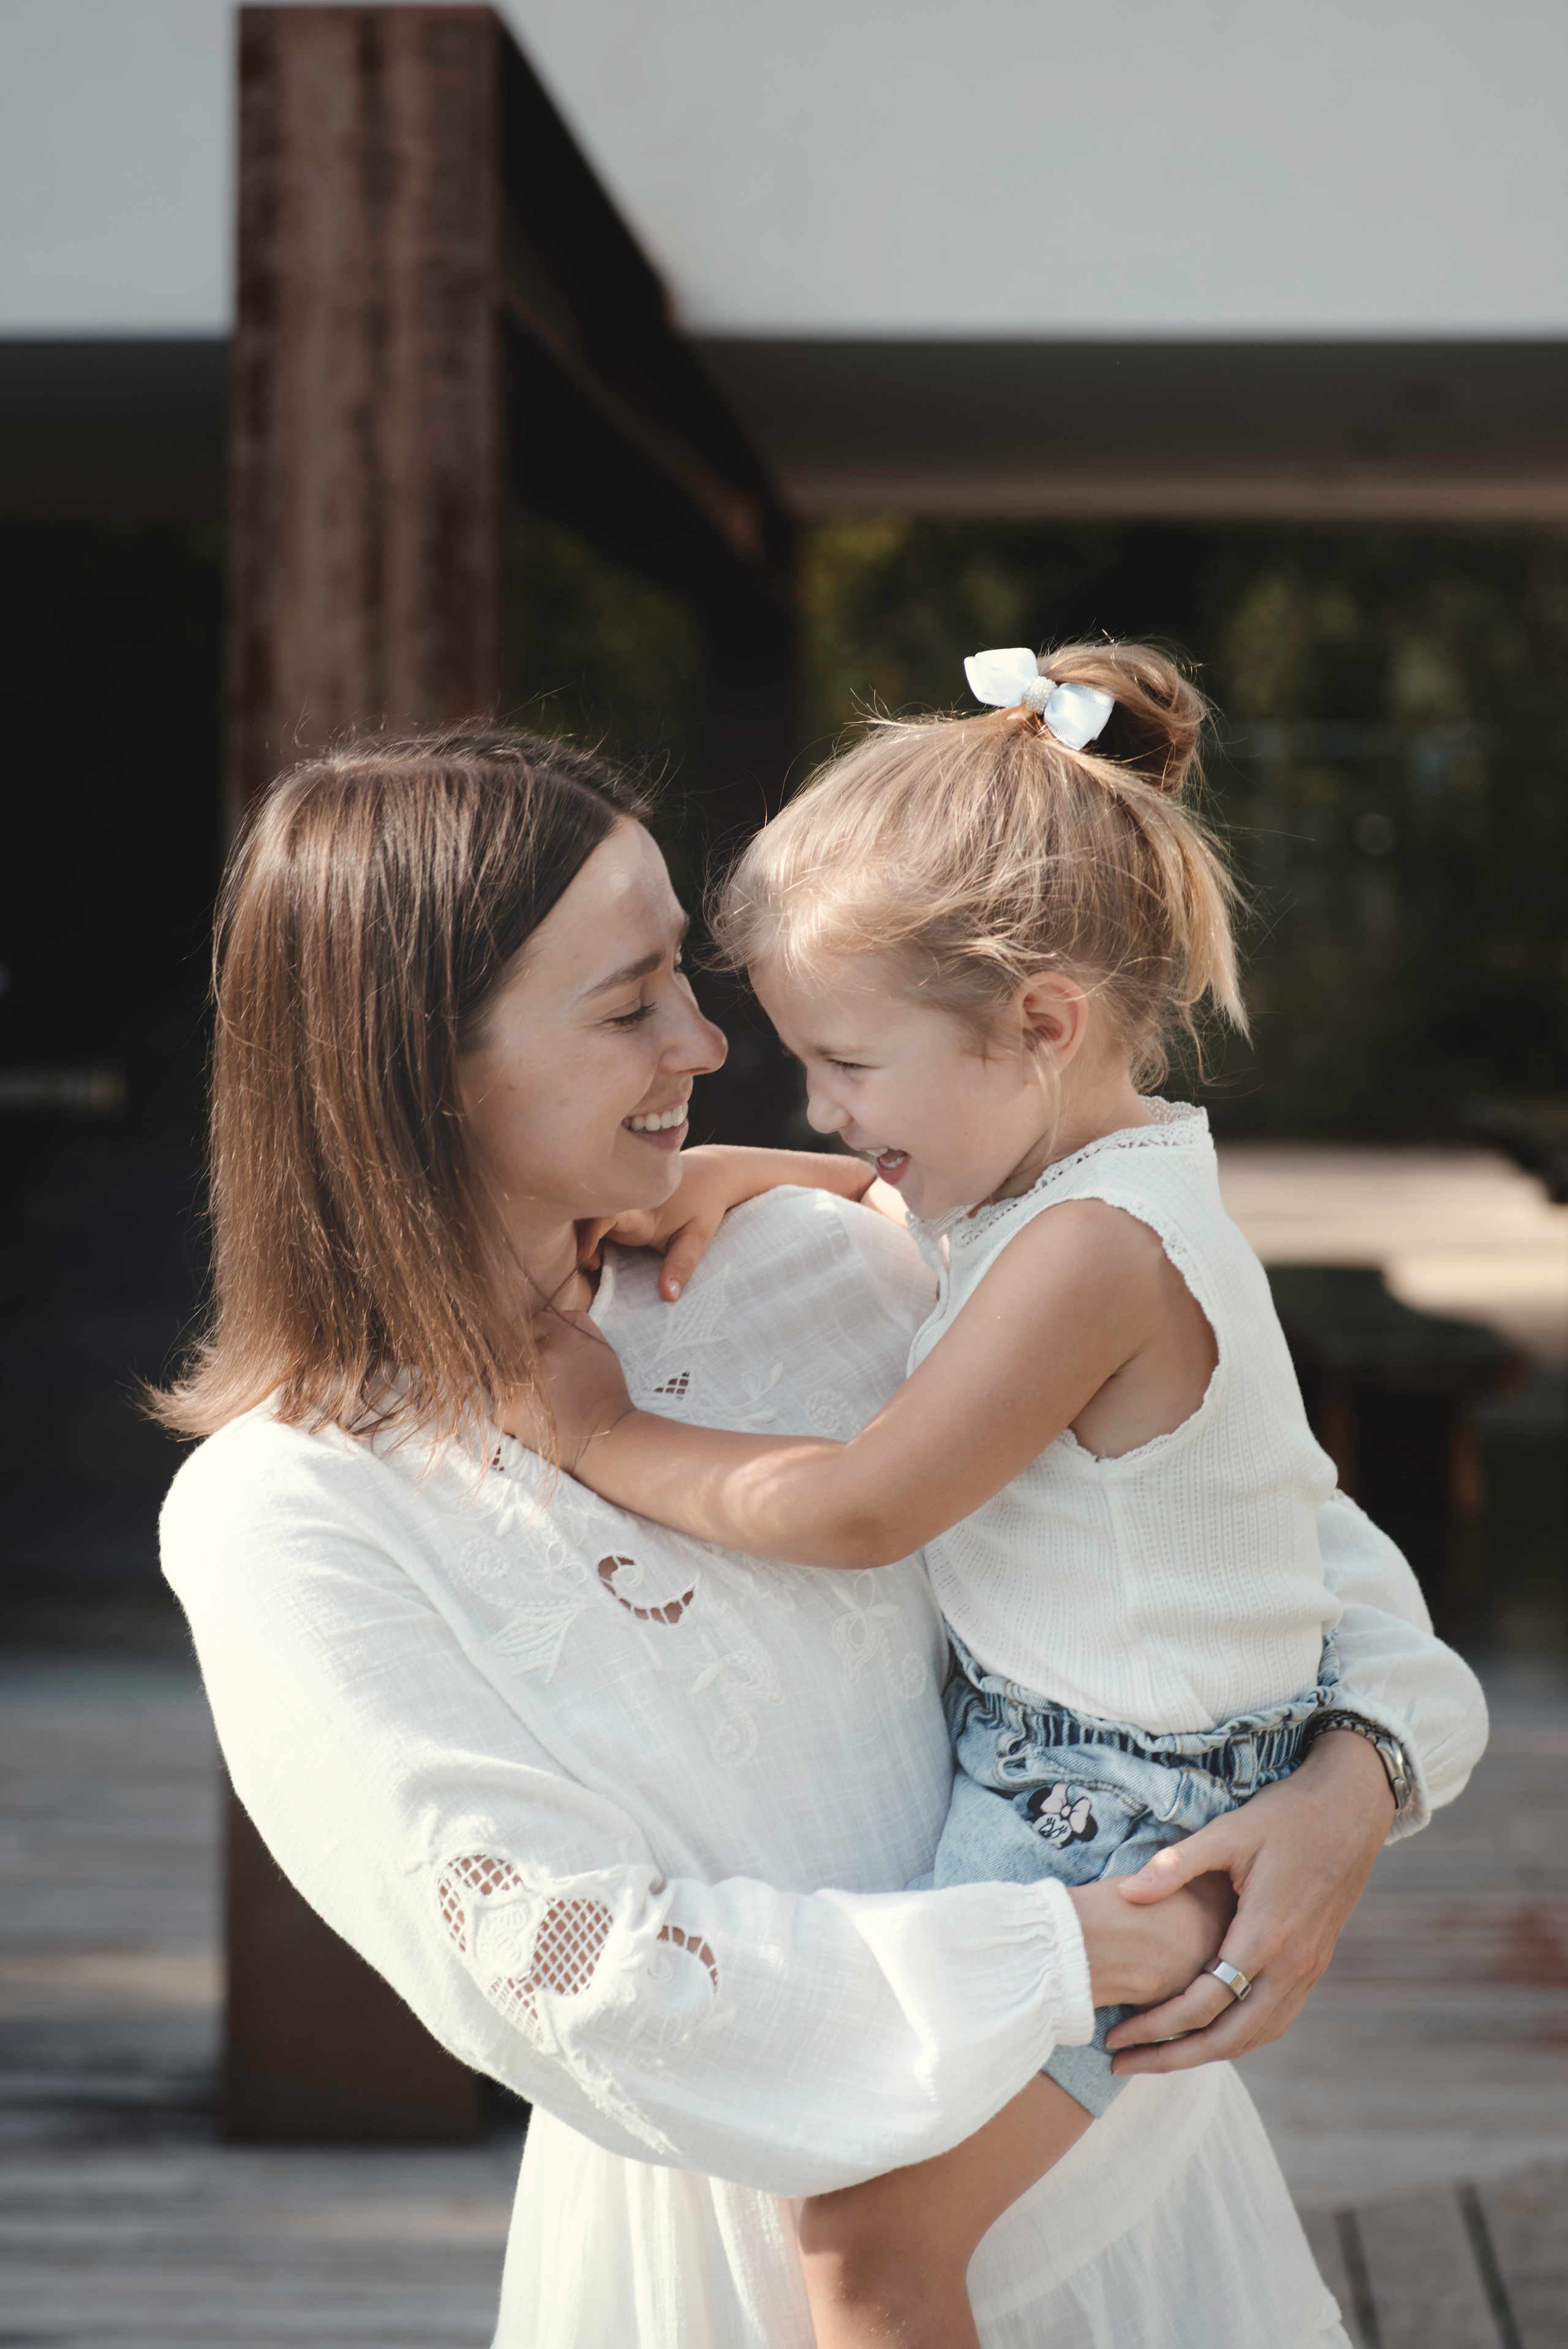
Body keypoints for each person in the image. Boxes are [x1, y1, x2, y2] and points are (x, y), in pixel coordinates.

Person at [156, 725, 1485, 2349]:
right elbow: (578, 1974)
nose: (709, 1041)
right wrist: (1063, 1949)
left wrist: (1354, 1784)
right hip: (746, 2249)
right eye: (632, 998)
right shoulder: (292, 1510)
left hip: (1125, 2167)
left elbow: (1268, 1532)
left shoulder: (826, 1262)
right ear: (423, 1059)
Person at [526, 637, 1471, 2347]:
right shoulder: (1092, 1182)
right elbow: (948, 1211)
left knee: (867, 2246)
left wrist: (593, 1431)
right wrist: (792, 1165)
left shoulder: (1099, 1255)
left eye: (848, 1070)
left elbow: (862, 1505)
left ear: (1041, 1021)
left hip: (1113, 1817)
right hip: (1091, 1773)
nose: (821, 1104)